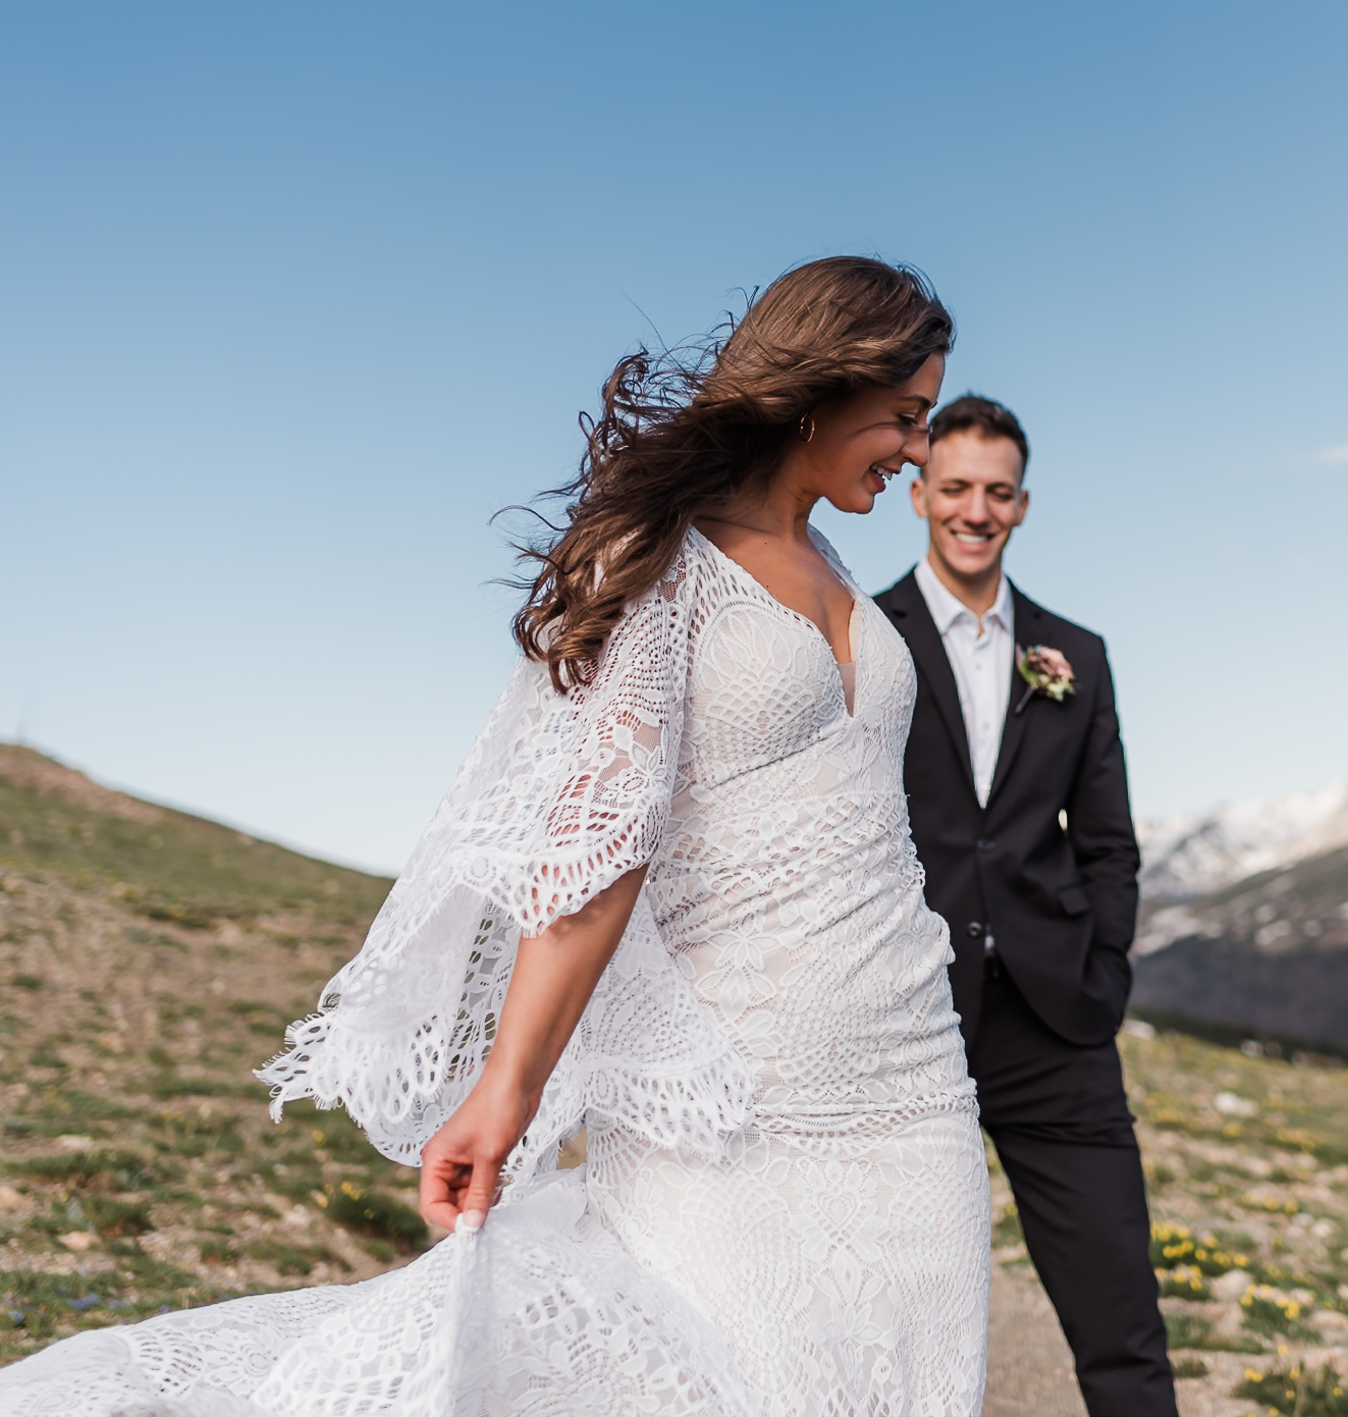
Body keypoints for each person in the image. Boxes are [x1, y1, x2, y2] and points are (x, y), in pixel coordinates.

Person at [0, 257, 990, 1417]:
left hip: (912, 1079)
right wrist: (505, 1087)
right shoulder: (675, 571)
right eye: (907, 418)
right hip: (741, 1102)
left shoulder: (833, 568)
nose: (919, 454)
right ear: (819, 387)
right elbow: (597, 849)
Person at [875, 396, 1177, 1416]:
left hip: (1056, 1023)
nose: (974, 509)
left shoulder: (1073, 656)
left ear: (1022, 504)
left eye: (996, 491)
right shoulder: (862, 634)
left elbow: (1107, 842)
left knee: (1121, 1320)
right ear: (917, 493)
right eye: (954, 486)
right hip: (905, 1017)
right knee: (888, 1310)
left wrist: (1104, 974)